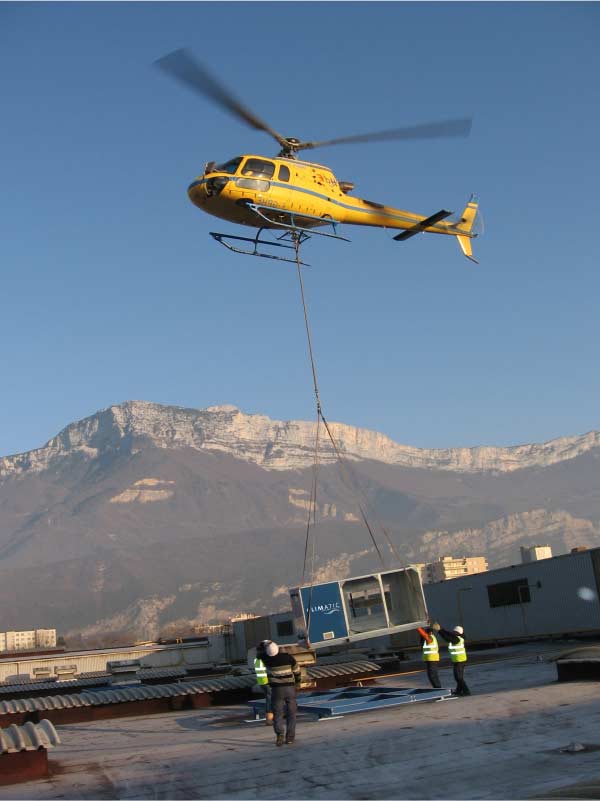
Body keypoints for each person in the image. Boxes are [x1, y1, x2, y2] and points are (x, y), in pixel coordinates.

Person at [261, 640, 301, 746]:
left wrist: (264, 645)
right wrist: (297, 682)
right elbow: (297, 670)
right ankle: (290, 738)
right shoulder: (288, 658)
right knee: (291, 713)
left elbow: (259, 654)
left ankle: (279, 735)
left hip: (277, 690)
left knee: (278, 714)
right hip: (290, 688)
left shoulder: (266, 660)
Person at [435, 623, 471, 696]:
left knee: (458, 677)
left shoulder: (457, 639)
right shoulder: (458, 638)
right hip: (459, 660)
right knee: (459, 677)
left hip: (459, 661)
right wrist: (441, 629)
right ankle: (459, 691)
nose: (452, 632)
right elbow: (448, 635)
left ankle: (466, 691)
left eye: (454, 632)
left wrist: (440, 631)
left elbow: (447, 637)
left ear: (457, 633)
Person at [253, 640, 273, 724]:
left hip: (261, 682)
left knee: (269, 698)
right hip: (267, 681)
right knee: (271, 699)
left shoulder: (257, 659)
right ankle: (269, 719)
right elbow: (269, 670)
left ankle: (270, 718)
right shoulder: (265, 658)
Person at [417, 624, 442, 689]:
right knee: (433, 676)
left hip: (432, 660)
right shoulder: (430, 638)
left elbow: (425, 636)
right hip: (431, 660)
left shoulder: (430, 638)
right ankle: (438, 689)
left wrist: (418, 628)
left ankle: (438, 689)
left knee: (432, 676)